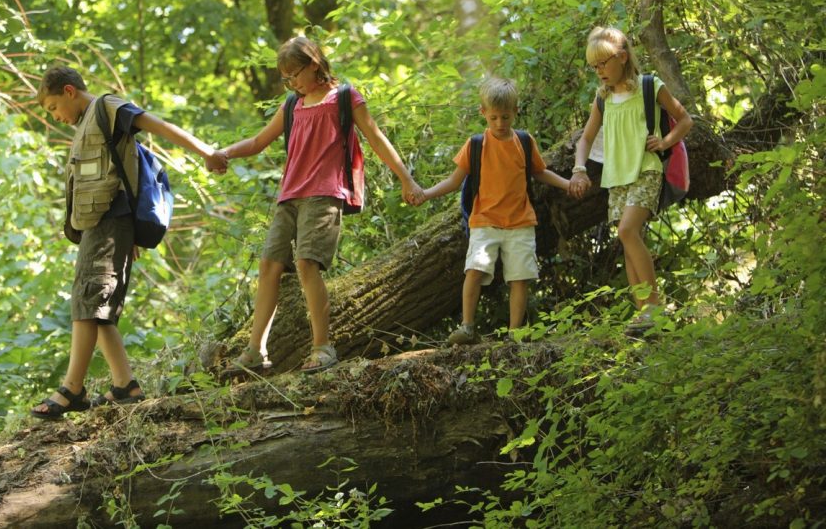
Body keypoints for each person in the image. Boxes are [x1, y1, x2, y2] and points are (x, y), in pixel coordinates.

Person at [207, 37, 424, 373]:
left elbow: (375, 137)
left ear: (314, 64)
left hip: (325, 192)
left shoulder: (344, 97)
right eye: (286, 78)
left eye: (295, 74)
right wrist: (224, 152)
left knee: (307, 263)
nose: (292, 82)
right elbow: (258, 141)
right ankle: (255, 351)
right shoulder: (292, 105)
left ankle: (323, 347)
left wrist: (406, 179)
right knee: (269, 265)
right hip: (289, 196)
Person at [31, 66, 224, 419]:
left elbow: (159, 126)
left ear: (70, 91)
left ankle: (72, 389)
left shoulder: (107, 108)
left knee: (89, 300)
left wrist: (206, 152)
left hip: (110, 221)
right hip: (98, 225)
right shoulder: (86, 123)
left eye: (54, 107)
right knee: (95, 303)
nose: (56, 117)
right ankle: (125, 386)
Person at [414, 77, 570, 344]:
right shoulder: (476, 145)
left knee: (519, 277)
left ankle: (515, 333)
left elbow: (539, 171)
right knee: (474, 270)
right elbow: (454, 181)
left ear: (516, 112)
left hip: (520, 221)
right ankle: (467, 327)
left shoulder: (523, 141)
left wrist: (568, 184)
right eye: (494, 117)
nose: (500, 123)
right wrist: (425, 194)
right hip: (484, 221)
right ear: (483, 112)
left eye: (506, 117)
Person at [567, 27, 692, 330]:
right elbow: (585, 139)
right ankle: (643, 315)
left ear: (622, 57)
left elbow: (685, 120)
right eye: (593, 66)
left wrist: (664, 142)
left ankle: (654, 308)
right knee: (627, 239)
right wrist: (579, 168)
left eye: (603, 63)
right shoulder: (603, 99)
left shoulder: (650, 86)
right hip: (617, 178)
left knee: (627, 231)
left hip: (646, 170)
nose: (599, 72)